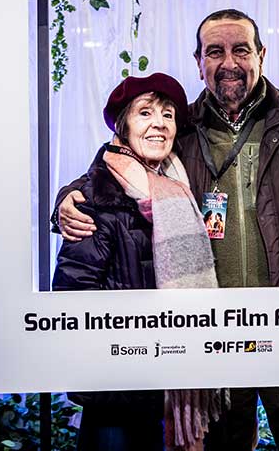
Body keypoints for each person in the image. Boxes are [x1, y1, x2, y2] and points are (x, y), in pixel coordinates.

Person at [53, 9, 279, 451]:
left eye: (241, 49)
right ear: (199, 62)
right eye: (215, 52)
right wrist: (68, 196)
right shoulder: (182, 128)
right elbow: (120, 162)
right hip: (214, 337)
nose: (229, 62)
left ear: (261, 55)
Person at [51, 72, 222, 451]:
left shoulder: (179, 187)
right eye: (145, 113)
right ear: (123, 127)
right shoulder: (96, 196)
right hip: (116, 390)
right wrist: (120, 356)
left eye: (167, 114)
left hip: (163, 383)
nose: (159, 123)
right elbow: (73, 296)